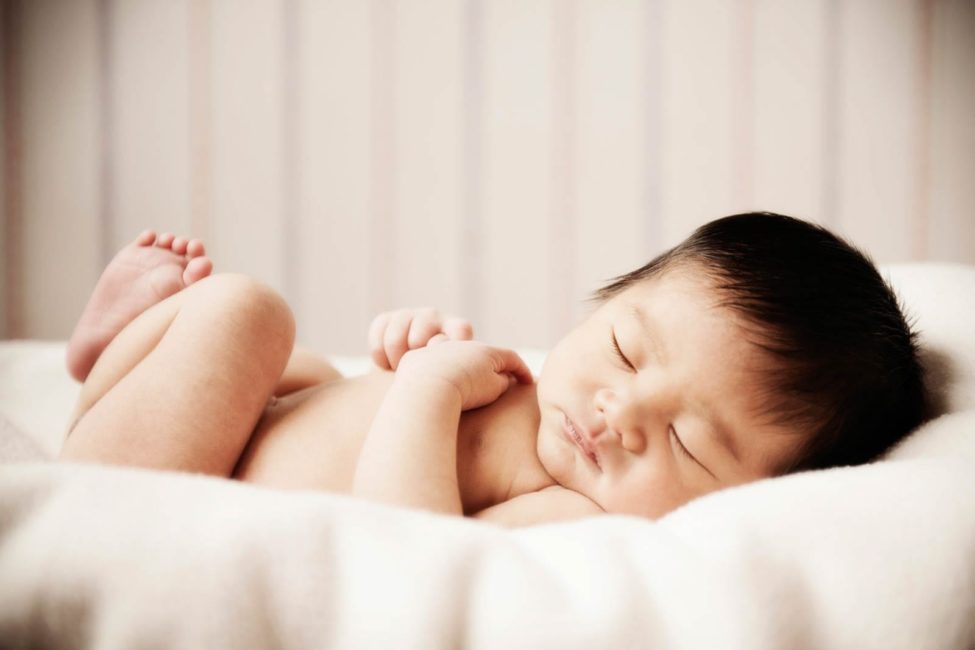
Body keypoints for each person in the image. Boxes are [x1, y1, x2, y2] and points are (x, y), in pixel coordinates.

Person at [58, 213, 927, 526]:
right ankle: (111, 357)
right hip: (240, 433)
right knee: (303, 364)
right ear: (602, 303)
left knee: (248, 313)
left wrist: (425, 393)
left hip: (183, 477)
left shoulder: (572, 512)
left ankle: (117, 390)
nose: (619, 412)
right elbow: (357, 405)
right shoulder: (531, 391)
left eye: (688, 444)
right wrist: (404, 353)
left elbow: (409, 547)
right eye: (625, 350)